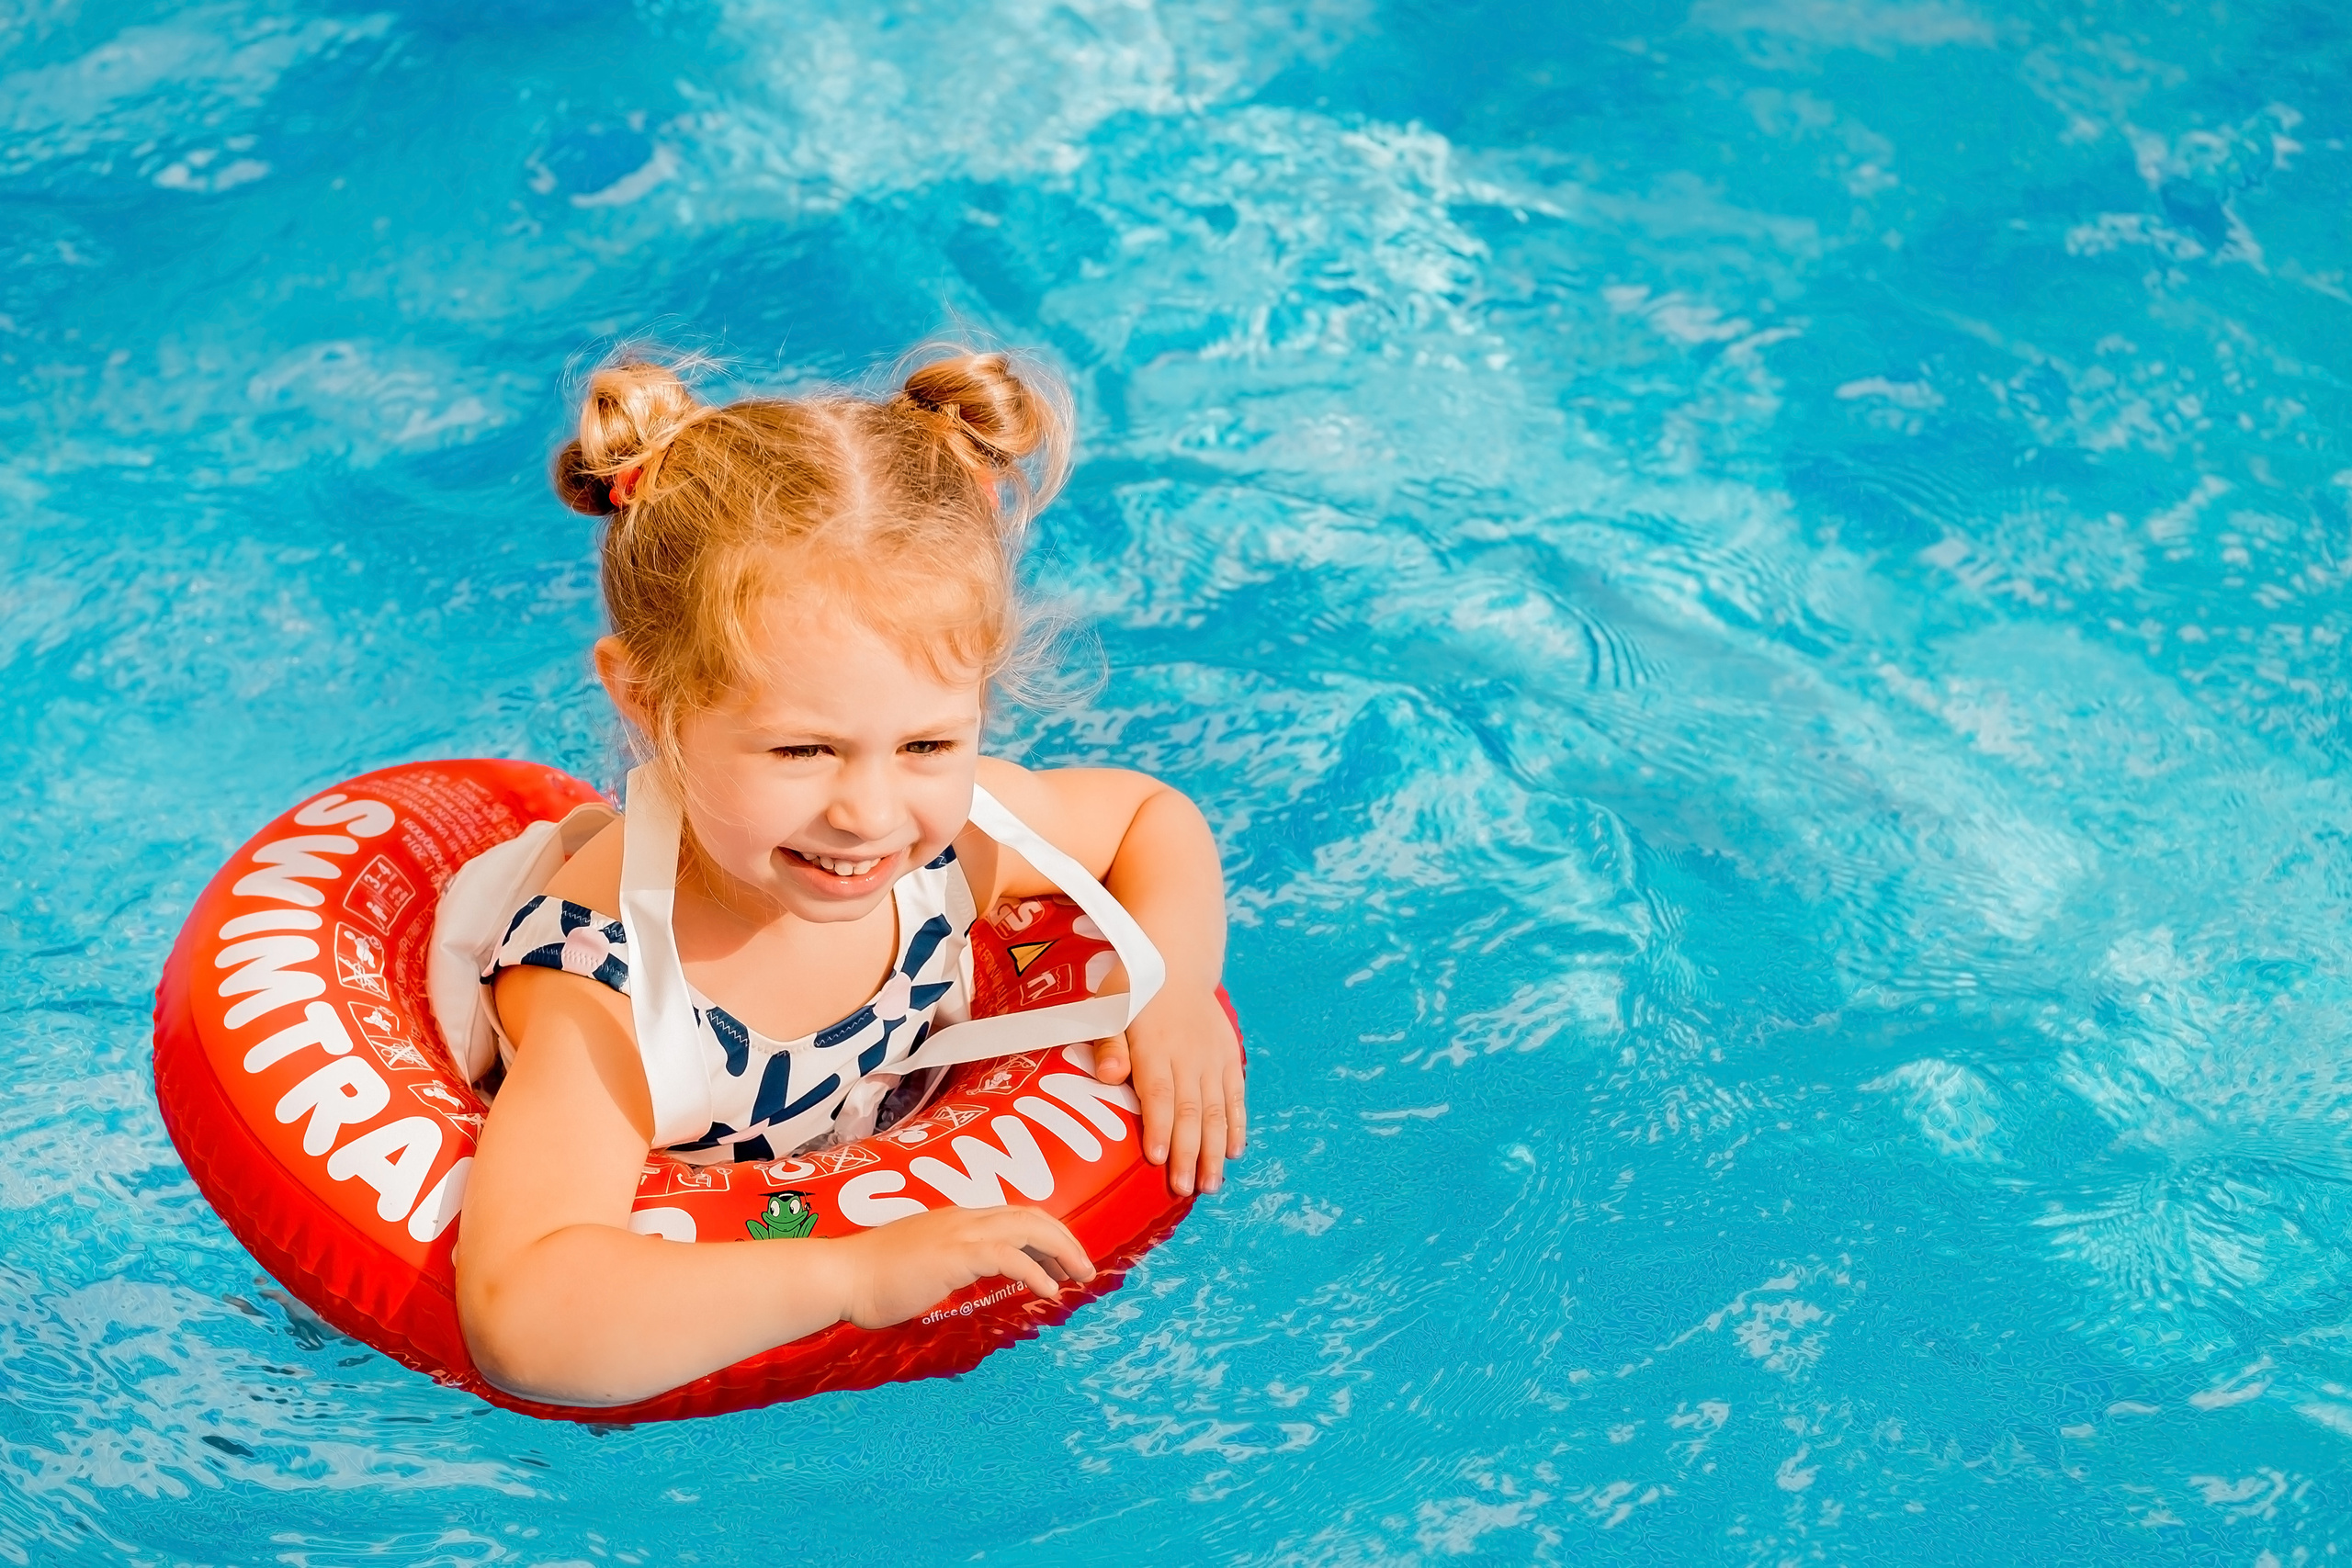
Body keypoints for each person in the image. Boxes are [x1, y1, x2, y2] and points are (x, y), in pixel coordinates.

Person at [454, 347, 1243, 1406]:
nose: (869, 816)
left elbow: (1154, 816)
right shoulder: (606, 992)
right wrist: (851, 1274)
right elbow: (525, 1321)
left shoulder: (956, 845)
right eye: (801, 751)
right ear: (647, 700)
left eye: (926, 747)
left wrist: (1172, 985)